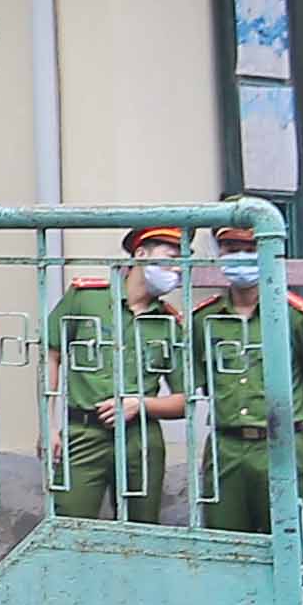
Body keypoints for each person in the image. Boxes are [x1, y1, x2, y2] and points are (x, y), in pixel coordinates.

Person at [174, 225, 303, 538]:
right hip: (226, 448)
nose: (240, 258)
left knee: (289, 544)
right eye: (231, 249)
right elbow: (196, 382)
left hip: (281, 444)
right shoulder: (203, 319)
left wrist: (286, 413)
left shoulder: (297, 315)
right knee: (226, 544)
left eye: (249, 249)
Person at [42, 225, 195, 525]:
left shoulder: (170, 324)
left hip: (140, 440)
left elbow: (184, 400)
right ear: (140, 254)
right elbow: (51, 355)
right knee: (70, 526)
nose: (177, 268)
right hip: (83, 431)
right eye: (171, 257)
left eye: (183, 261)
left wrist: (140, 404)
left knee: (140, 532)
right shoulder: (87, 298)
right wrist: (48, 425)